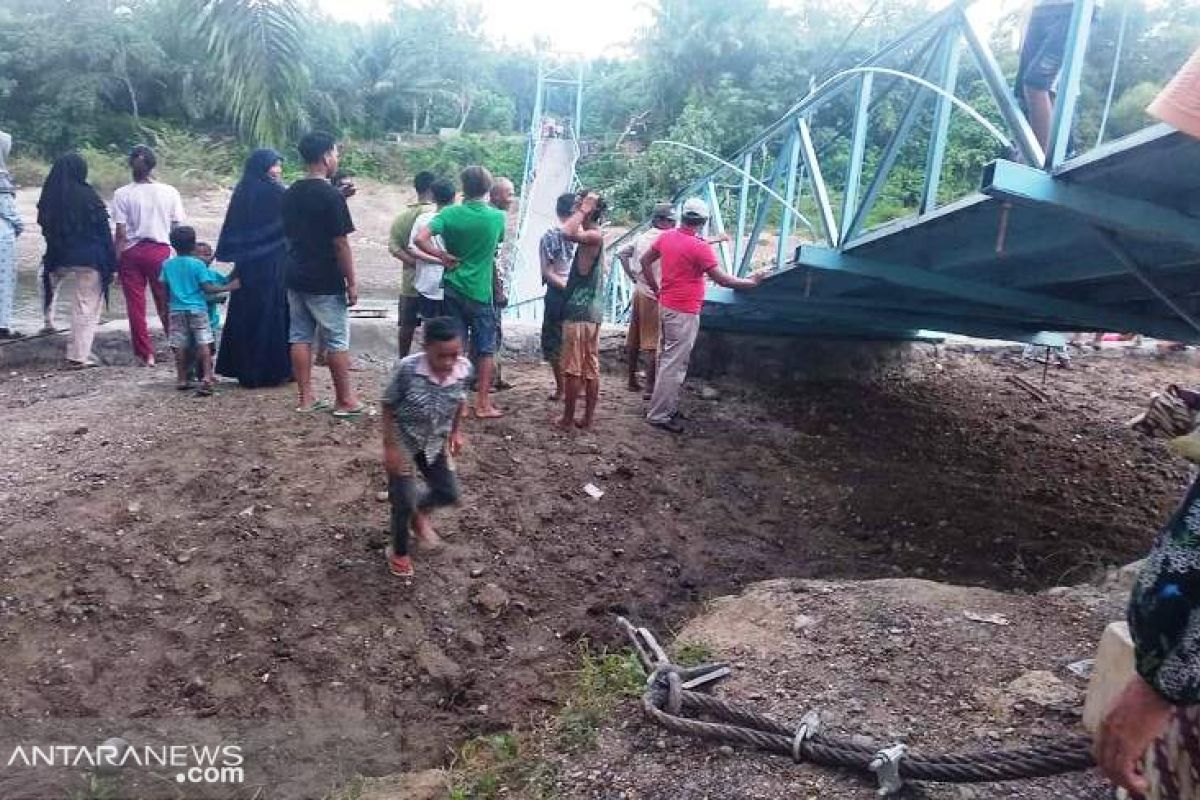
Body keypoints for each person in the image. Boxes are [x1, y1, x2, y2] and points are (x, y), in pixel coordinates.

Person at [641, 197, 762, 434]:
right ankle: (659, 415)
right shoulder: (699, 247)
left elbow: (645, 261)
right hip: (684, 310)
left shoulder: (667, 237)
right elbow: (723, 280)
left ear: (683, 217)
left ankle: (664, 407)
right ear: (704, 221)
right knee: (673, 363)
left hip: (667, 305)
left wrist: (656, 288)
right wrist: (751, 282)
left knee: (669, 359)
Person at [281, 131, 364, 417]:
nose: (337, 158)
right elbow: (340, 243)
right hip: (324, 277)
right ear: (327, 157)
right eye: (336, 153)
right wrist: (351, 282)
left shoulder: (290, 192)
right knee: (337, 339)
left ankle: (305, 399)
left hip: (294, 272)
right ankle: (345, 401)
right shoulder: (330, 195)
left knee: (300, 336)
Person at [414, 165, 506, 419]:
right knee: (485, 348)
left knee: (457, 346)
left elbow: (420, 239)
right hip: (481, 291)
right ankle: (483, 403)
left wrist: (442, 255)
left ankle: (457, 403)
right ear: (487, 188)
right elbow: (497, 245)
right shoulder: (497, 217)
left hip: (453, 287)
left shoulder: (450, 214)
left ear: (463, 188)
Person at [380, 316, 470, 579]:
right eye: (441, 356)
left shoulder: (464, 369)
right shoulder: (407, 369)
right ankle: (398, 552)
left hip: (434, 441)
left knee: (449, 492)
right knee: (403, 501)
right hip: (404, 440)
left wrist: (456, 432)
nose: (448, 362)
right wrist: (389, 447)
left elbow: (460, 399)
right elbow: (387, 404)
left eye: (455, 354)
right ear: (425, 345)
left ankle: (418, 512)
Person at [213, 148, 292, 388]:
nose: (277, 170)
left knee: (246, 314)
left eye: (278, 165)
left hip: (248, 264)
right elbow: (291, 219)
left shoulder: (243, 189)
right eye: (274, 165)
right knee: (272, 313)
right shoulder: (277, 191)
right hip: (274, 264)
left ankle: (245, 369)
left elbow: (236, 227)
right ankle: (273, 370)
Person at [36, 153, 118, 368]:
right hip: (90, 257)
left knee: (45, 279)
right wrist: (113, 264)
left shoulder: (49, 196)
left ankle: (48, 321)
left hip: (58, 255)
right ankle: (78, 355)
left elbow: (45, 228)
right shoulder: (88, 195)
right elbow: (104, 232)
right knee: (86, 305)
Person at [112, 145, 186, 367]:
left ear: (130, 166)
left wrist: (116, 264)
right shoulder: (169, 191)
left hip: (131, 252)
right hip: (160, 251)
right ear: (153, 166)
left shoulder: (122, 193)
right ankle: (176, 349)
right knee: (165, 302)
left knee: (136, 306)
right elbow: (176, 227)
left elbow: (121, 234)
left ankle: (146, 355)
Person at [159, 226, 237, 395]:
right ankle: (207, 376)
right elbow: (207, 288)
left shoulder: (167, 264)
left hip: (176, 310)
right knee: (204, 342)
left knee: (179, 345)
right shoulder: (198, 266)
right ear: (193, 245)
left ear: (172, 245)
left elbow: (164, 289)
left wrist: (165, 308)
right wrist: (231, 287)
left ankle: (181, 378)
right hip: (197, 309)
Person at [1015, 0, 1097, 153]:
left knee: (1036, 82)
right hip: (1040, 9)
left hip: (1073, 8)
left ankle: (1039, 161)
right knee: (1023, 93)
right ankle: (1036, 154)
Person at [556, 191, 608, 430]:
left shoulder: (593, 236)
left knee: (574, 367)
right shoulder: (593, 235)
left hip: (579, 311)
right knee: (590, 365)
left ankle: (568, 419)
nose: (576, 207)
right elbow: (571, 231)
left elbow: (566, 232)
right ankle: (586, 418)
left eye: (580, 204)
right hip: (592, 312)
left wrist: (584, 209)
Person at [617, 202, 676, 394]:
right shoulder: (667, 238)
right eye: (669, 220)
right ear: (660, 220)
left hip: (639, 290)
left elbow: (621, 253)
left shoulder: (641, 237)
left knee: (634, 338)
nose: (672, 224)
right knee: (653, 343)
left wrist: (631, 276)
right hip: (654, 293)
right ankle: (650, 386)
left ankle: (631, 379)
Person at [388, 171, 437, 358]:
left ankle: (403, 359)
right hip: (433, 282)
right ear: (433, 189)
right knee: (432, 324)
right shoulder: (435, 215)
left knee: (407, 325)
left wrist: (412, 263)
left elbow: (393, 247)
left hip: (409, 281)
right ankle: (429, 360)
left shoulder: (402, 216)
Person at [539, 193, 578, 401]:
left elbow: (547, 272)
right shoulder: (589, 236)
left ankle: (562, 388)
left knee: (555, 341)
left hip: (558, 294)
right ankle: (571, 387)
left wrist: (565, 287)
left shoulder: (549, 235)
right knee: (573, 341)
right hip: (578, 295)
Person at [409, 177, 457, 321]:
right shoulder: (459, 220)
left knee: (429, 328)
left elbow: (412, 249)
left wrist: (437, 260)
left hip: (426, 283)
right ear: (454, 197)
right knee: (452, 328)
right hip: (453, 285)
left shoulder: (423, 219)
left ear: (432, 197)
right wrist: (443, 261)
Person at [488, 176, 516, 392]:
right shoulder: (495, 218)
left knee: (493, 331)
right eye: (509, 193)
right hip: (489, 286)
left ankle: (495, 376)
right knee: (492, 331)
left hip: (487, 283)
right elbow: (491, 259)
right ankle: (489, 378)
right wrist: (498, 289)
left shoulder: (493, 215)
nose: (511, 198)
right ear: (496, 195)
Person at [0, 130, 23, 340]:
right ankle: (2, 326)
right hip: (3, 236)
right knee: (4, 281)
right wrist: (19, 225)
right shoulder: (1, 177)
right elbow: (6, 209)